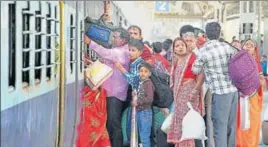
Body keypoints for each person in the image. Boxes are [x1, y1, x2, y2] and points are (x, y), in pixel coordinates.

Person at [192, 22, 238, 147]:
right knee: (231, 126)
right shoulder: (227, 47)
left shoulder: (203, 50)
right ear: (219, 33)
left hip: (219, 93)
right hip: (233, 90)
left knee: (220, 127)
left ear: (205, 34)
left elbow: (195, 69)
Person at [84, 27, 130, 147]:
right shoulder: (118, 50)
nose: (112, 39)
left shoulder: (122, 52)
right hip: (111, 92)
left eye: (115, 37)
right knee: (110, 122)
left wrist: (90, 43)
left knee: (113, 123)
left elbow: (107, 53)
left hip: (115, 94)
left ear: (123, 40)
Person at [167, 37, 204, 147]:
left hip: (190, 94)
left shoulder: (193, 57)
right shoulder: (175, 60)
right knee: (180, 120)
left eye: (182, 45)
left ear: (186, 46)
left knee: (188, 122)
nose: (180, 47)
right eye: (177, 46)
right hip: (179, 96)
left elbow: (201, 75)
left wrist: (195, 90)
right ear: (173, 50)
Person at [236, 39, 265, 147]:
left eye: (251, 45)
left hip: (252, 98)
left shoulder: (257, 64)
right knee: (240, 122)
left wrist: (253, 81)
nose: (248, 47)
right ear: (241, 47)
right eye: (246, 45)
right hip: (240, 97)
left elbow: (262, 82)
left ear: (254, 50)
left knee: (252, 122)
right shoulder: (236, 62)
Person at [131, 62, 155, 147]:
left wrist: (137, 102)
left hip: (145, 112)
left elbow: (149, 99)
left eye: (145, 71)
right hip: (140, 111)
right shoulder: (141, 83)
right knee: (142, 135)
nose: (143, 73)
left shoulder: (148, 83)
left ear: (150, 73)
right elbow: (141, 95)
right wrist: (135, 95)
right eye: (141, 71)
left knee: (144, 136)